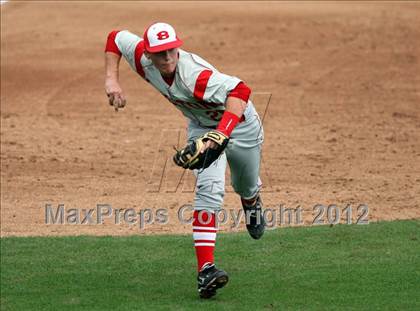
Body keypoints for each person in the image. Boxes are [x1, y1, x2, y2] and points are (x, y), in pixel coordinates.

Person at [104, 22, 265, 299]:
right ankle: (206, 270)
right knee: (209, 191)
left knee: (245, 185)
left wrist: (221, 135)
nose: (167, 58)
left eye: (171, 51)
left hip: (240, 125)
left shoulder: (194, 75)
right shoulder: (143, 60)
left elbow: (240, 91)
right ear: (149, 53)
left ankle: (251, 202)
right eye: (160, 53)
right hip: (202, 127)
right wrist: (111, 79)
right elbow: (115, 38)